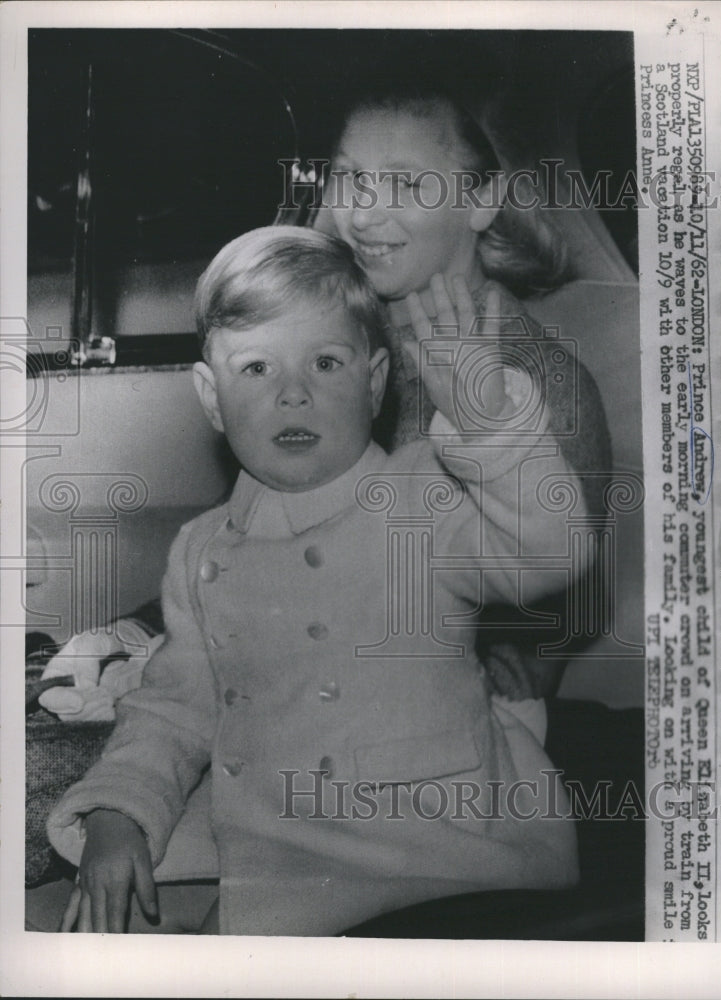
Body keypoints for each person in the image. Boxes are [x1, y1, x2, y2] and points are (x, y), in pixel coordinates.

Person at [46, 225, 587, 935]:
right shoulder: (200, 549)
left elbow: (553, 552)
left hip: (439, 856)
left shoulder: (421, 492)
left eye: (326, 363)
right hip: (275, 859)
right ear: (210, 398)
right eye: (256, 369)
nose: (293, 394)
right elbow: (174, 711)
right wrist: (119, 812)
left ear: (374, 382)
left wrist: (491, 430)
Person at [39, 76, 611, 723]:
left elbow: (537, 624)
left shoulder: (541, 388)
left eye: (404, 184)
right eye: (350, 179)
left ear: (481, 201)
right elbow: (265, 550)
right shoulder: (330, 352)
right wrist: (146, 632)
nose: (363, 215)